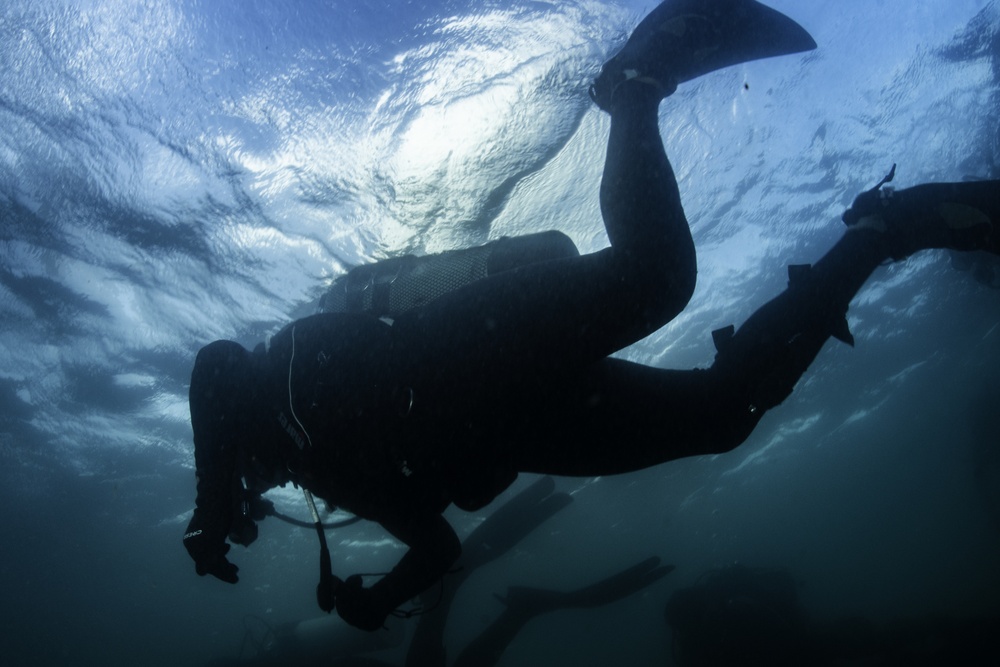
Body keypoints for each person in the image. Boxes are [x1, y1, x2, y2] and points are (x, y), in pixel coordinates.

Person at [183, 0, 1000, 632]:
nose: (260, 488)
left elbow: (215, 365)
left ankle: (634, 86)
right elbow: (438, 545)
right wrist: (377, 599)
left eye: (244, 482)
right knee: (722, 417)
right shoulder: (328, 471)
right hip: (520, 424)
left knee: (658, 279)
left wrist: (208, 509)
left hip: (462, 347)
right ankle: (881, 231)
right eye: (249, 492)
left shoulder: (271, 377)